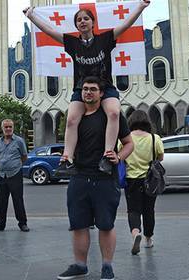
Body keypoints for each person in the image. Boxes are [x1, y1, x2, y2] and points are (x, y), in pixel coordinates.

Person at [24, 0, 149, 175]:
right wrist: (31, 16)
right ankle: (67, 159)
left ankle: (107, 156)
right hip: (82, 89)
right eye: (79, 20)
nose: (82, 22)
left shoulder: (105, 39)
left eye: (86, 19)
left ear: (93, 23)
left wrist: (141, 7)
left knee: (113, 113)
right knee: (71, 120)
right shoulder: (72, 43)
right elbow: (49, 31)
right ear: (76, 25)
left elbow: (126, 24)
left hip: (105, 87)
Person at [57, 76, 133, 280]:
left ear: (101, 93)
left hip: (105, 178)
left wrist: (119, 157)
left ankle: (107, 266)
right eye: (85, 89)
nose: (88, 92)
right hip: (79, 177)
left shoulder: (111, 116)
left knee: (105, 224)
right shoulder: (75, 117)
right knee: (78, 224)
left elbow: (129, 143)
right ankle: (80, 265)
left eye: (92, 89)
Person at [119, 110, 164, 255]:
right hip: (150, 179)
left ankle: (135, 233)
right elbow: (160, 157)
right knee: (149, 210)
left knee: (133, 210)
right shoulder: (154, 138)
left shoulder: (125, 139)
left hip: (131, 179)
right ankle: (148, 239)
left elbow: (120, 156)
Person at [0, 119, 30, 232]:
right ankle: (0, 224)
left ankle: (23, 223)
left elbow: (24, 156)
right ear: (2, 128)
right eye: (6, 127)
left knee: (18, 200)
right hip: (2, 175)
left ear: (13, 128)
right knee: (2, 201)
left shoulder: (19, 141)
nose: (8, 129)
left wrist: (15, 166)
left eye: (10, 127)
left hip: (15, 174)